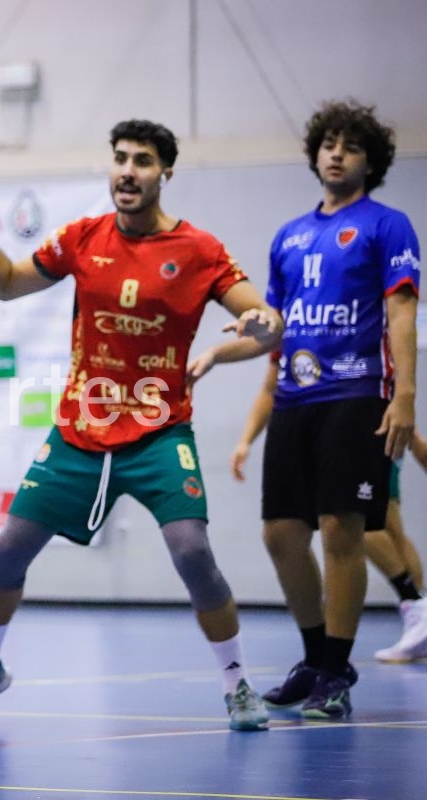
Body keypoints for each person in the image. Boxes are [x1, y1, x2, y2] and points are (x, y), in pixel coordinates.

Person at [0, 119, 282, 732]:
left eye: (143, 161)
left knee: (193, 551)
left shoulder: (199, 251)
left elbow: (264, 320)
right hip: (80, 432)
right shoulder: (82, 237)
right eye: (120, 158)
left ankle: (238, 686)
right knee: (10, 548)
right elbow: (6, 284)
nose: (128, 170)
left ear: (164, 173)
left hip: (159, 431)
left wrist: (262, 327)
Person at [257, 100, 419, 718]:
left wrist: (404, 395)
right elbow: (273, 323)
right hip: (295, 398)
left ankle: (336, 674)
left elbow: (402, 312)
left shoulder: (388, 224)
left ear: (369, 162)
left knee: (340, 530)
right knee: (280, 534)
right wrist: (224, 350)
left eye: (350, 146)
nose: (335, 153)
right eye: (328, 143)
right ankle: (315, 657)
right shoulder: (290, 235)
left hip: (357, 394)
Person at [232, 367, 427, 663]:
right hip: (321, 416)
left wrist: (403, 401)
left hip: (357, 410)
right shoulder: (288, 341)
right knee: (378, 522)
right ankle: (416, 606)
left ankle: (415, 604)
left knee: (366, 520)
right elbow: (269, 384)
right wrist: (245, 440)